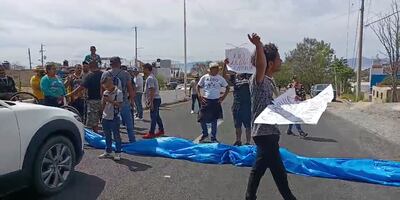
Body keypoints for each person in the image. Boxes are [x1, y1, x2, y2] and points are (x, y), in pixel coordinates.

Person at [245, 33, 296, 200]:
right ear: (271, 63)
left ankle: (250, 196)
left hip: (270, 131)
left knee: (260, 167)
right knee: (278, 172)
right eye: (279, 58)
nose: (281, 61)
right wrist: (259, 46)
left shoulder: (271, 81)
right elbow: (260, 66)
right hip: (263, 132)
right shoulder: (258, 79)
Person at [101, 57, 136, 143]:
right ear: (119, 63)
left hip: (110, 102)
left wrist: (103, 103)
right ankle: (132, 141)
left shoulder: (105, 74)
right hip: (123, 101)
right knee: (129, 124)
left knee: (110, 123)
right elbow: (130, 89)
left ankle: (112, 142)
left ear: (111, 64)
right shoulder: (125, 74)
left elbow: (102, 90)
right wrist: (132, 101)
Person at [197, 62, 230, 143]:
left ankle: (213, 137)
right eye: (213, 69)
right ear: (210, 70)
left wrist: (223, 97)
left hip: (215, 100)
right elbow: (198, 86)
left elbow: (227, 87)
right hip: (206, 100)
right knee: (201, 118)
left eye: (216, 69)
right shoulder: (205, 77)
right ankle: (205, 133)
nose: (215, 71)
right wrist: (200, 96)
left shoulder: (220, 78)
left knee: (214, 120)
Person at [222, 59, 252, 146]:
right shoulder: (233, 77)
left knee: (248, 125)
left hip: (247, 104)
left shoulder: (249, 76)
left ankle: (248, 142)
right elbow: (224, 76)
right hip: (237, 105)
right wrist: (225, 65)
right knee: (237, 125)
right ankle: (238, 140)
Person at [67, 61, 103, 133]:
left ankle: (96, 137)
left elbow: (81, 87)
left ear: (91, 66)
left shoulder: (89, 76)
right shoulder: (103, 74)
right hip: (104, 99)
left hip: (93, 100)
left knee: (93, 120)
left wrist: (70, 94)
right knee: (103, 118)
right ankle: (106, 136)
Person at [98, 76, 123, 161]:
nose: (105, 86)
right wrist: (103, 103)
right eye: (104, 85)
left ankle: (118, 152)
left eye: (106, 84)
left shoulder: (118, 92)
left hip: (114, 117)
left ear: (111, 82)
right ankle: (108, 151)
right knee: (107, 135)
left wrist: (109, 100)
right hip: (105, 116)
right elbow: (103, 105)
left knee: (116, 136)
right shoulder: (105, 92)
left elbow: (119, 105)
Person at [142, 63, 165, 139]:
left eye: (144, 69)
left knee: (153, 117)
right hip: (156, 99)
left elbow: (152, 90)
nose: (143, 70)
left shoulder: (150, 78)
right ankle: (161, 130)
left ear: (147, 69)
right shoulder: (151, 77)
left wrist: (151, 102)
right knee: (156, 116)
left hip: (154, 99)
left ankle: (151, 132)